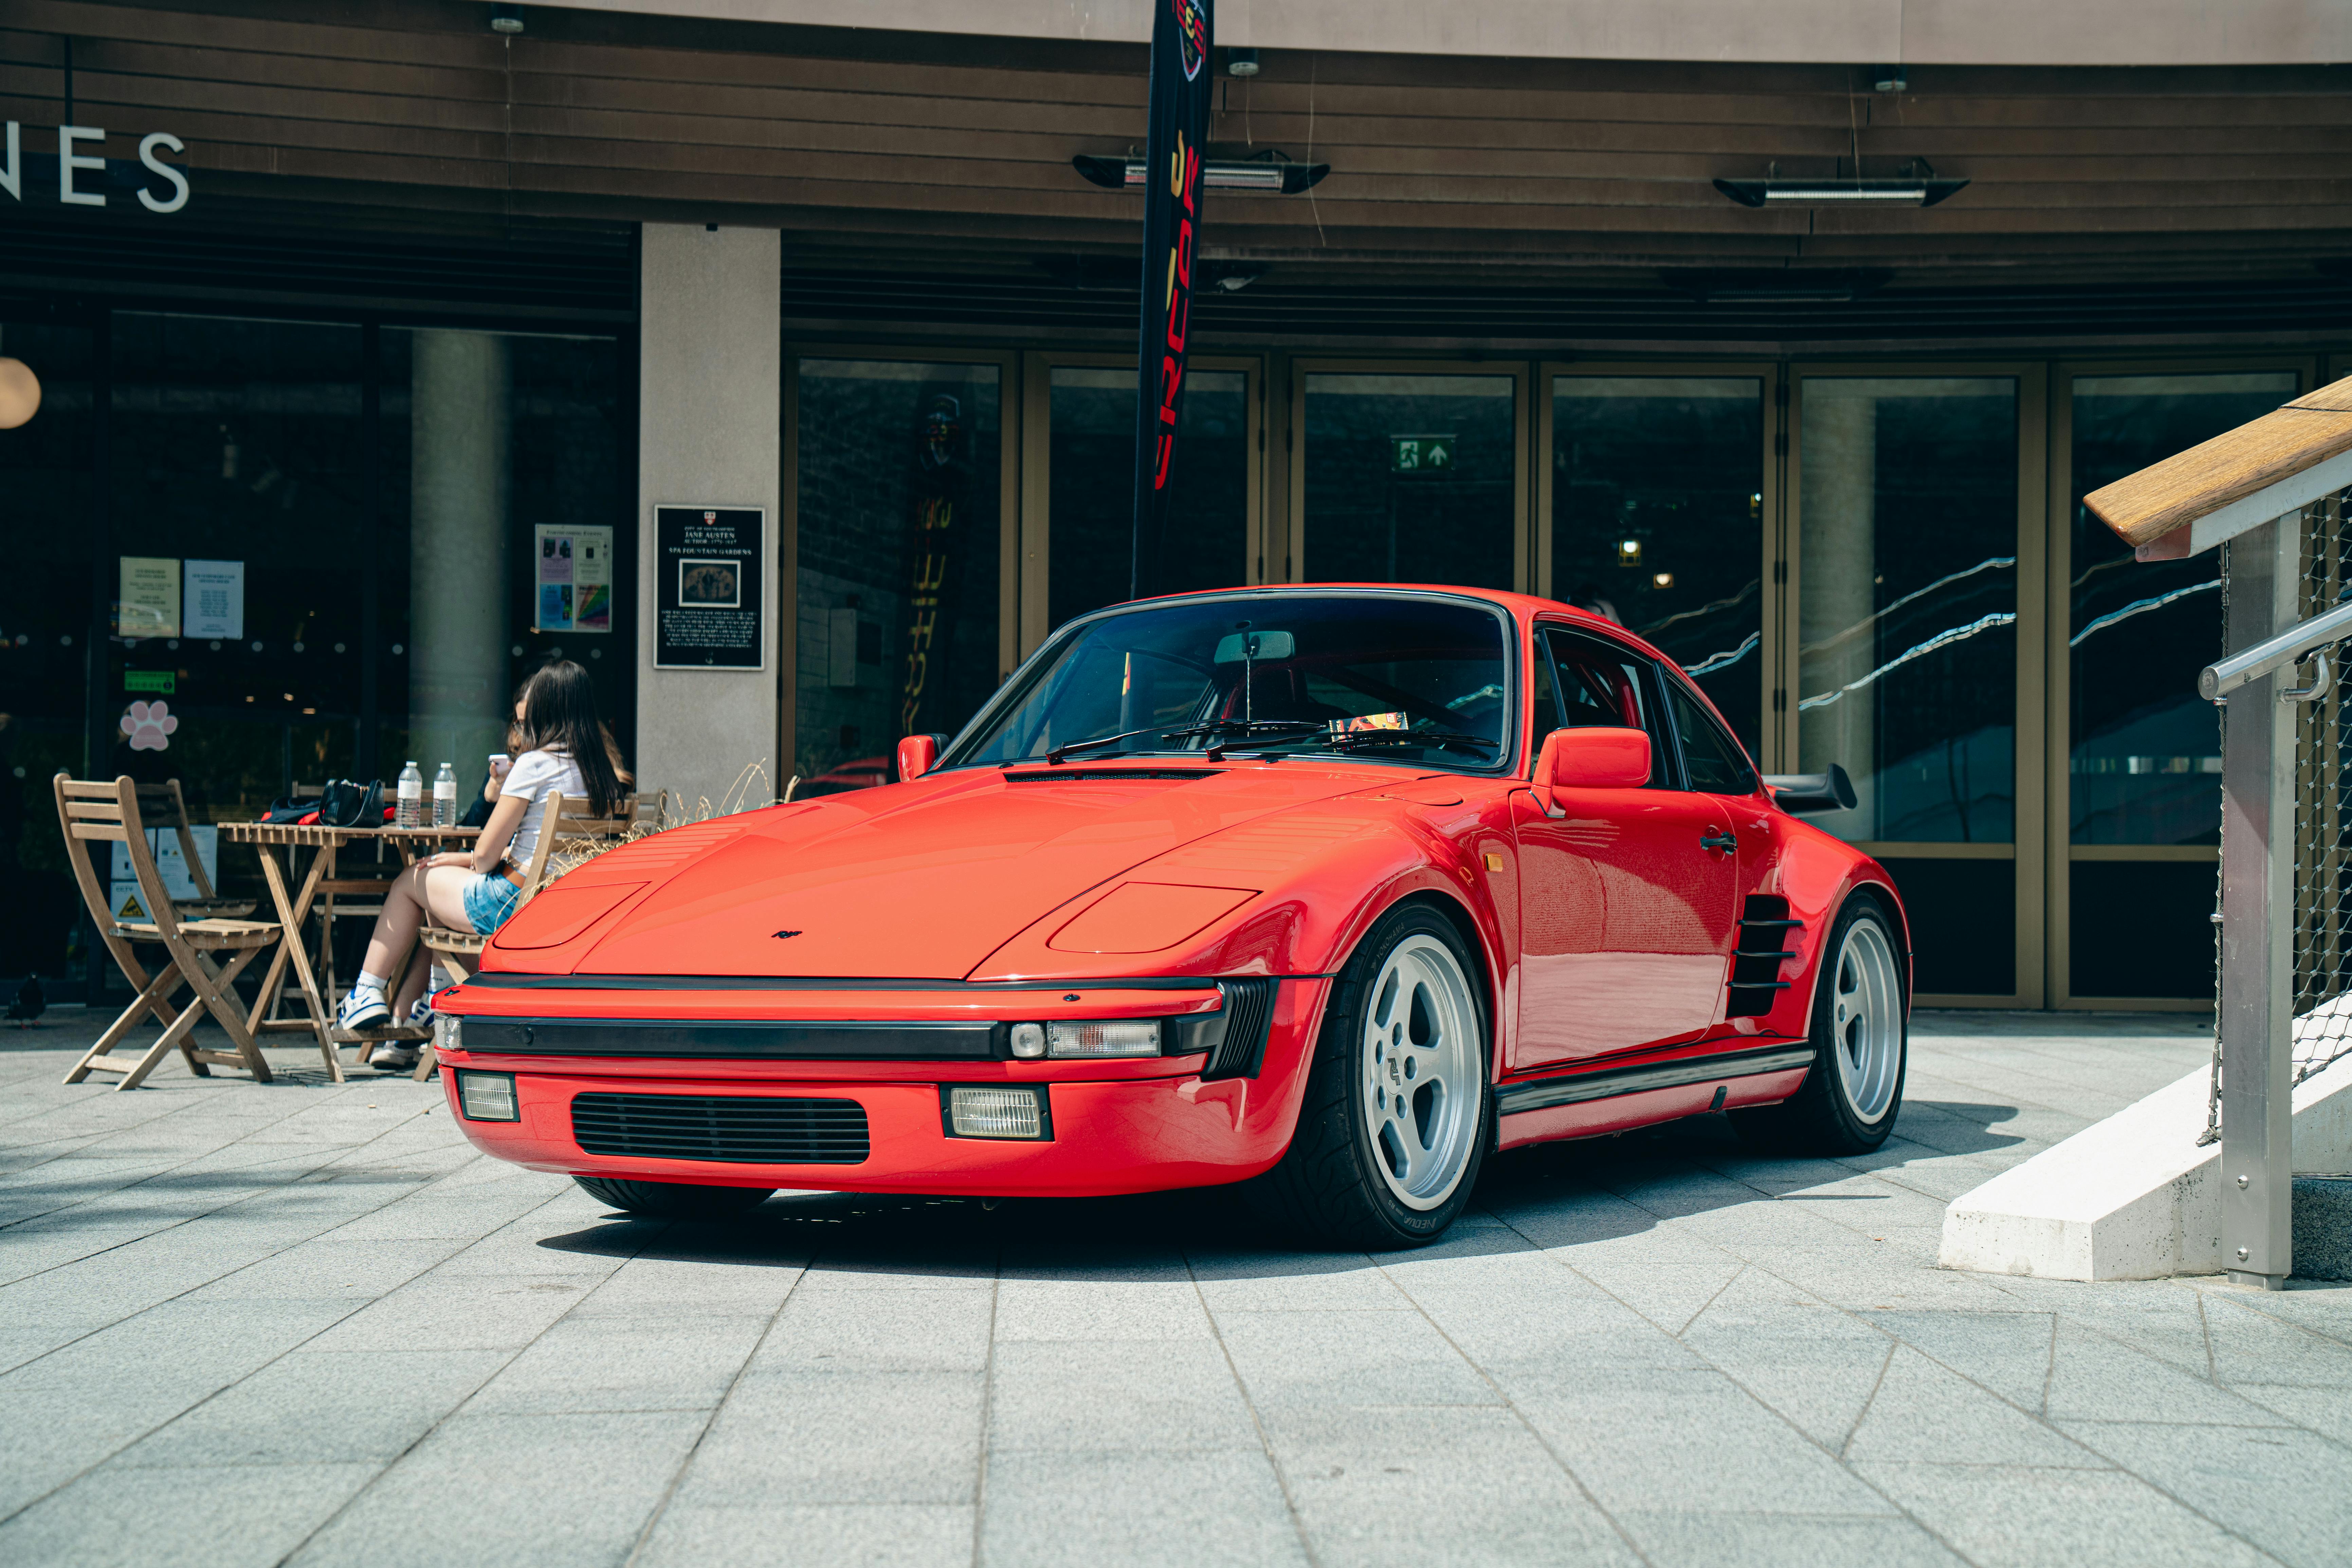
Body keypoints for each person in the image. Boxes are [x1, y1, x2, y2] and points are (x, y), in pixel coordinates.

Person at [339, 660, 625, 1069]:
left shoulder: (535, 763)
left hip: (510, 906)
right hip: (567, 913)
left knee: (411, 879)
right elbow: (541, 854)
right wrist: (463, 858)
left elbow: (488, 856)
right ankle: (433, 1009)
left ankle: (367, 991)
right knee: (438, 895)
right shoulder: (603, 773)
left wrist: (469, 856)